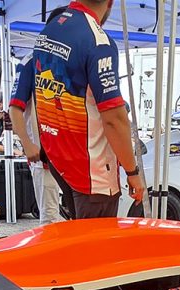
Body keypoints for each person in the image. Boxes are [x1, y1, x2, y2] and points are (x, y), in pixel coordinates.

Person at [26, 0, 144, 218]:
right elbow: (114, 119)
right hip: (92, 172)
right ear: (110, 2)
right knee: (97, 248)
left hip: (60, 159)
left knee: (80, 238)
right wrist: (132, 171)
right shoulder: (98, 41)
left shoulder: (49, 31)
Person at [10, 55, 63, 224]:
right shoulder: (31, 61)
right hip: (44, 155)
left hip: (71, 155)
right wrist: (27, 144)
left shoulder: (73, 54)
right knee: (49, 217)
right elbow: (15, 108)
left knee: (72, 216)